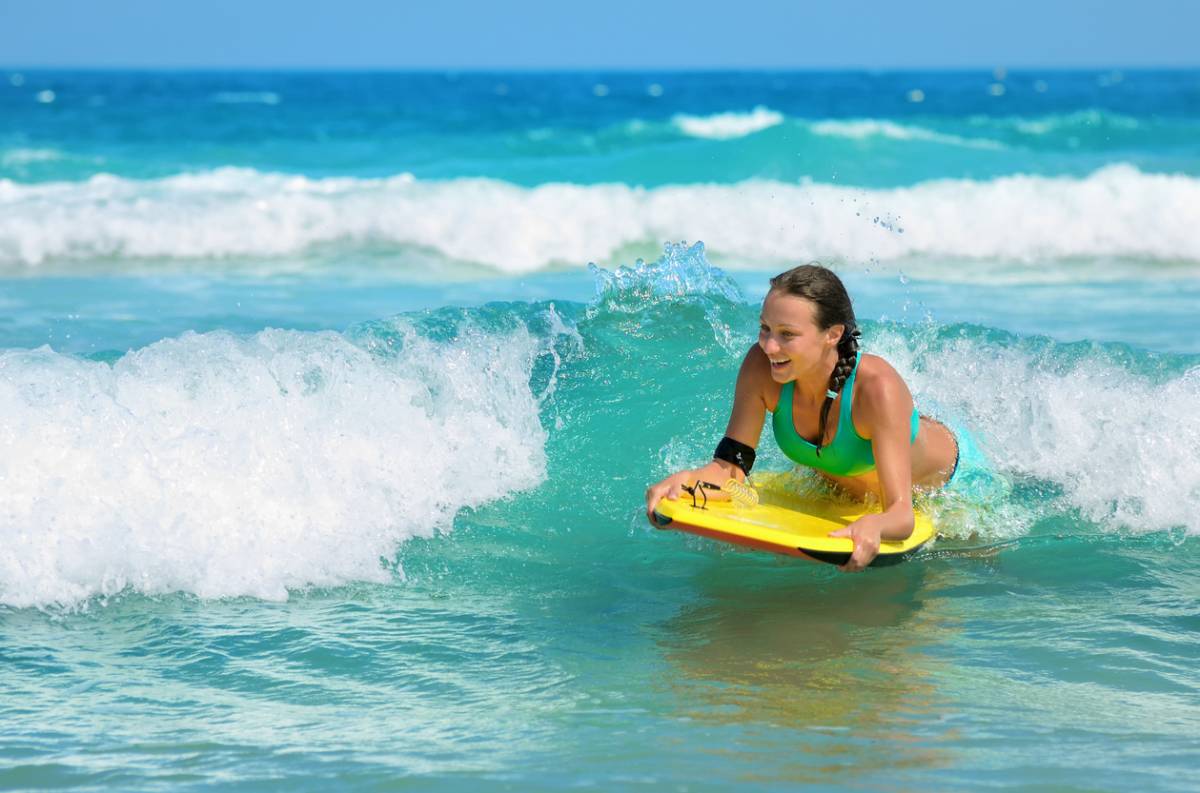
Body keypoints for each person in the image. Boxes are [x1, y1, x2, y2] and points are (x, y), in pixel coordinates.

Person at [644, 263, 960, 572]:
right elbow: (730, 471)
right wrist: (687, 480)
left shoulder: (878, 389)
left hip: (953, 489)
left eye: (787, 334)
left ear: (832, 334)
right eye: (765, 328)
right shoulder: (761, 367)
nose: (769, 345)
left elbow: (901, 515)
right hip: (846, 492)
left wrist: (877, 524)